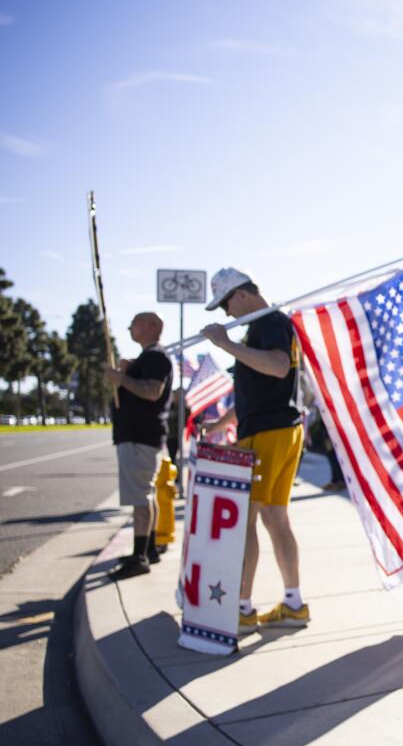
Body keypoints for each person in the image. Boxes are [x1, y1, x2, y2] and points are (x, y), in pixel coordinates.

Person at [201, 268, 310, 634]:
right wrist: (219, 426)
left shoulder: (268, 322)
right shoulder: (264, 326)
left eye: (226, 304)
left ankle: (242, 607)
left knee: (245, 520)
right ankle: (293, 602)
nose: (227, 314)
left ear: (242, 294)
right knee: (275, 518)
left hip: (268, 433)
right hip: (280, 430)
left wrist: (225, 344)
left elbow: (278, 368)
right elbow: (256, 390)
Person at [106, 312, 174, 579]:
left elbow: (151, 391)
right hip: (141, 436)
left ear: (151, 325)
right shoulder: (149, 357)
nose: (130, 328)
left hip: (139, 437)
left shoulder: (155, 356)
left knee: (141, 499)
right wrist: (127, 371)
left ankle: (140, 556)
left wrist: (121, 379)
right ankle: (149, 547)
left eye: (133, 323)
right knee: (146, 495)